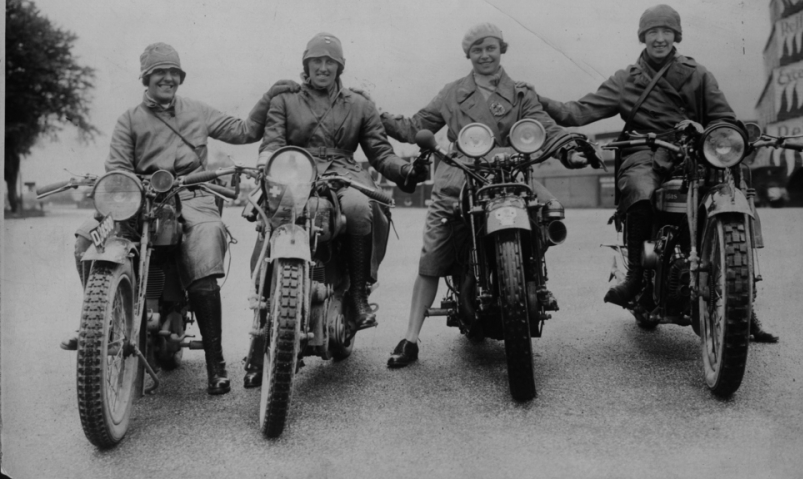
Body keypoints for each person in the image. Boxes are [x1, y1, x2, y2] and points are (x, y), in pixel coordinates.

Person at [536, 4, 778, 343]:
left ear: (676, 35)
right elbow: (575, 112)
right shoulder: (626, 80)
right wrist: (534, 98)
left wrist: (714, 133)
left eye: (666, 31)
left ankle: (743, 303)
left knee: (732, 189)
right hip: (644, 152)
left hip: (692, 151)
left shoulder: (698, 74)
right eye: (653, 32)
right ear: (643, 37)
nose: (660, 38)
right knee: (639, 188)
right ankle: (636, 275)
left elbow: (723, 117)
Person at [65, 42, 296, 395]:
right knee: (87, 237)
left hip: (192, 196)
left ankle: (215, 363)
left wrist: (269, 96)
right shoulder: (129, 119)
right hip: (140, 200)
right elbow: (116, 169)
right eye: (160, 72)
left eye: (174, 72)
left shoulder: (198, 111)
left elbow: (244, 131)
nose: (168, 78)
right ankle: (102, 324)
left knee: (206, 239)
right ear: (146, 77)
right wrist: (126, 193)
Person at [377, 23, 589, 368]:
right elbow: (416, 125)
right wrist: (376, 112)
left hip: (511, 172)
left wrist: (568, 151)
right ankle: (411, 338)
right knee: (433, 251)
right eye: (477, 49)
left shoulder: (520, 92)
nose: (485, 55)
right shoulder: (452, 93)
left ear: (501, 49)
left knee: (549, 210)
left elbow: (542, 127)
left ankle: (530, 278)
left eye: (490, 47)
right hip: (461, 174)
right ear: (468, 55)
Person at [242, 32, 425, 388]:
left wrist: (404, 170)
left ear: (340, 66)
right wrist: (266, 168)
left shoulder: (359, 103)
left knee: (359, 209)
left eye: (330, 62)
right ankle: (260, 337)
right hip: (295, 171)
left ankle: (357, 296)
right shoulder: (284, 99)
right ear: (306, 65)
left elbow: (379, 151)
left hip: (345, 173)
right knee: (272, 226)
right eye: (316, 61)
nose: (323, 67)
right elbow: (272, 143)